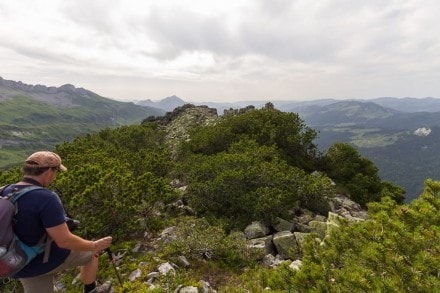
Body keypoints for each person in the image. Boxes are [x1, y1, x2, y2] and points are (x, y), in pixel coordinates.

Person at [1, 151, 113, 293]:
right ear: (48, 171)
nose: (55, 176)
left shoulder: (4, 191)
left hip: (16, 262)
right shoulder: (47, 198)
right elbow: (64, 241)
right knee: (92, 253)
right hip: (48, 258)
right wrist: (94, 245)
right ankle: (91, 290)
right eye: (56, 171)